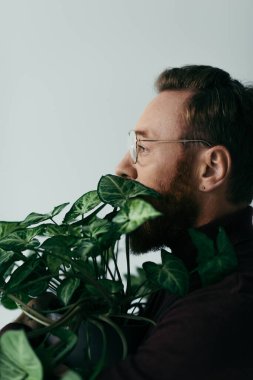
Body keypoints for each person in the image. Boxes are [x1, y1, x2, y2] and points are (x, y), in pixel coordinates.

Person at [96, 65, 253, 379]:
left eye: (143, 148)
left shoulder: (225, 306)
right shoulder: (187, 273)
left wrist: (21, 334)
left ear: (210, 169)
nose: (122, 169)